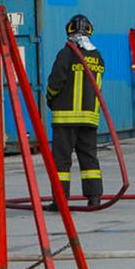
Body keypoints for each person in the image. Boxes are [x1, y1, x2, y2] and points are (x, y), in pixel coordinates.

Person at [45, 14, 106, 210]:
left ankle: (60, 200)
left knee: (62, 162)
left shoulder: (66, 53)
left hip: (65, 118)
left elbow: (55, 82)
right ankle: (94, 198)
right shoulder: (97, 56)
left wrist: (50, 98)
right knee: (89, 159)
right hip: (90, 118)